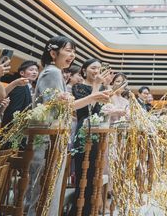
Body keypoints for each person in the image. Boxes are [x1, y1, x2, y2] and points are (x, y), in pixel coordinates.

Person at [26, 36, 109, 216]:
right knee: (43, 190)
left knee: (48, 189)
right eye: (68, 50)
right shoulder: (52, 73)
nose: (72, 55)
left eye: (74, 52)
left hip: (54, 138)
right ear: (53, 53)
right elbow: (56, 107)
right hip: (47, 139)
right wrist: (92, 96)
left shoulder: (55, 72)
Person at [70, 58, 113, 216]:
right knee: (83, 173)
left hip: (98, 134)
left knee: (95, 174)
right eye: (93, 68)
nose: (96, 71)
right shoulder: (78, 87)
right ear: (84, 70)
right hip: (84, 131)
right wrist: (96, 85)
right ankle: (78, 211)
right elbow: (88, 110)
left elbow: (105, 110)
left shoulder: (101, 88)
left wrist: (106, 87)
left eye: (99, 68)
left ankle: (91, 210)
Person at [2, 60, 38, 126]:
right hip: (12, 127)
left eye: (36, 70)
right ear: (22, 73)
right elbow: (13, 110)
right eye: (31, 70)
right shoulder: (20, 86)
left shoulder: (30, 89)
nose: (34, 72)